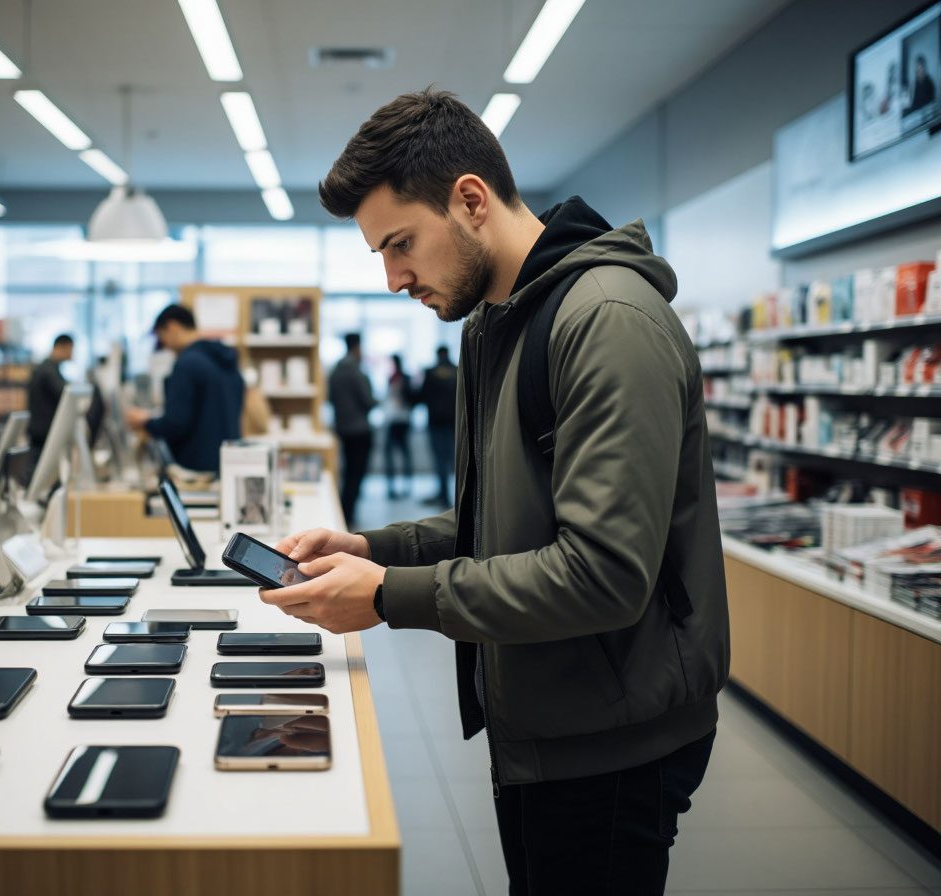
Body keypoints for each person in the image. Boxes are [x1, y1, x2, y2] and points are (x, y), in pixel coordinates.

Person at [259, 89, 730, 894]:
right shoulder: (498, 323)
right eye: (379, 253)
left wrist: (389, 595)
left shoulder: (606, 320)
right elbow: (505, 519)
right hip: (551, 717)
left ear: (471, 200)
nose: (393, 278)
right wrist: (373, 547)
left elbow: (603, 574)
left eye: (401, 243)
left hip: (613, 740)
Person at [125, 304, 243, 475]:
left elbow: (176, 423)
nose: (164, 346)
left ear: (172, 327)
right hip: (227, 463)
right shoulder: (225, 360)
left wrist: (146, 422)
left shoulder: (186, 364)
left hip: (197, 471)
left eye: (161, 337)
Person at [327, 332, 375, 528]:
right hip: (360, 430)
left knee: (348, 473)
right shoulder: (356, 372)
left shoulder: (335, 371)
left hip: (343, 429)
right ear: (356, 347)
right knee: (357, 474)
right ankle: (349, 514)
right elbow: (368, 401)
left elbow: (330, 399)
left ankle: (345, 513)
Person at [417, 345, 458, 506]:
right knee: (454, 459)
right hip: (453, 423)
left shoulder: (430, 373)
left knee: (440, 459)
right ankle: (455, 495)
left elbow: (422, 396)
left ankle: (443, 495)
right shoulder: (457, 371)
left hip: (435, 422)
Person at [27, 333, 74, 465]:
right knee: (39, 469)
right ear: (62, 347)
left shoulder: (50, 369)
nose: (72, 354)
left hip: (42, 432)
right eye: (71, 350)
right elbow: (64, 394)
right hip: (42, 434)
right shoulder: (48, 371)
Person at [383, 353, 414, 499]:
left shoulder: (406, 378)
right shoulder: (391, 378)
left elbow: (412, 398)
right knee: (390, 453)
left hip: (403, 419)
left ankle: (407, 486)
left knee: (405, 453)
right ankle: (391, 486)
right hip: (393, 419)